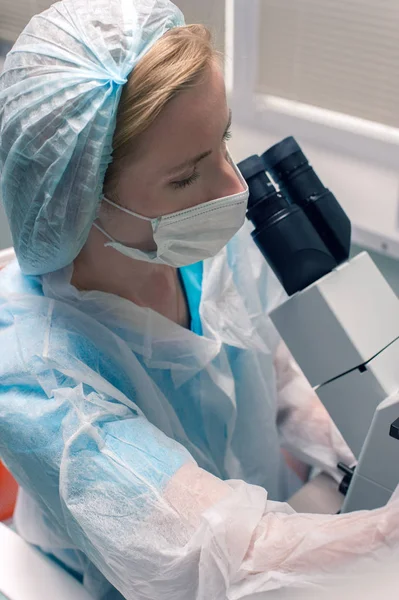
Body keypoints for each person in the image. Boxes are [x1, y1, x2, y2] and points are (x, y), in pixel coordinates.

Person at [0, 1, 398, 598]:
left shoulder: (197, 244)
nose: (234, 188)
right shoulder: (40, 378)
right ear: (77, 203)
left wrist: (368, 433)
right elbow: (208, 553)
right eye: (186, 177)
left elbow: (279, 374)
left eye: (224, 140)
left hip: (266, 521)